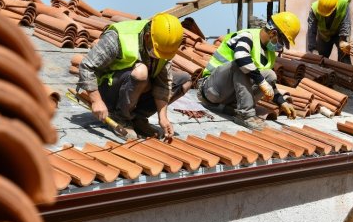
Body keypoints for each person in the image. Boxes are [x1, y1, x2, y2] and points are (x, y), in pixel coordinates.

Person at [77, 12, 192, 141]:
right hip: (108, 92)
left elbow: (163, 84)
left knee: (184, 81)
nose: (161, 58)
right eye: (158, 53)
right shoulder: (119, 37)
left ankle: (138, 118)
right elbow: (86, 66)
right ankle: (120, 117)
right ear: (148, 37)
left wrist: (163, 117)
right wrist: (96, 101)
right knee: (141, 72)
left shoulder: (162, 46)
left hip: (134, 91)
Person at [197, 12, 299, 131]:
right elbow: (240, 57)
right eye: (282, 42)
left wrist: (282, 102)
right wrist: (261, 82)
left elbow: (267, 84)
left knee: (270, 76)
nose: (281, 47)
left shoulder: (269, 53)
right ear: (273, 33)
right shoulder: (247, 36)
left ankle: (236, 108)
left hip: (228, 96)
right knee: (241, 64)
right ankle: (245, 115)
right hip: (211, 89)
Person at [307, 0, 352, 64]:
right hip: (323, 35)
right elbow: (311, 29)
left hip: (339, 34)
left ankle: (345, 74)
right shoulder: (315, 8)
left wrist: (343, 40)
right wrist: (312, 48)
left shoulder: (343, 3)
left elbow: (345, 22)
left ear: (334, 8)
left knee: (344, 58)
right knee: (321, 59)